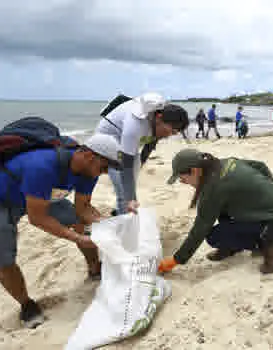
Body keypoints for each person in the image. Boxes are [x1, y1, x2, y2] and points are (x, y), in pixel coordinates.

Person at [0, 133, 122, 328]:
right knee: (4, 259)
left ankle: (94, 268)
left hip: (39, 196)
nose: (104, 173)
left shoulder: (88, 172)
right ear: (91, 156)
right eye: (105, 168)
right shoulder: (42, 166)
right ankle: (27, 305)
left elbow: (83, 210)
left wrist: (111, 224)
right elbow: (37, 218)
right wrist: (77, 238)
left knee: (79, 221)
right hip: (4, 200)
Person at [157, 149, 273, 274]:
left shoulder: (213, 188)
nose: (183, 182)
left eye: (182, 178)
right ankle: (231, 247)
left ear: (195, 171)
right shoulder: (223, 163)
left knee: (213, 236)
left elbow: (200, 228)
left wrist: (176, 260)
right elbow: (260, 165)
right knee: (223, 208)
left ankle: (270, 240)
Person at [95, 92, 189, 216]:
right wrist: (130, 199)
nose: (168, 136)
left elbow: (150, 143)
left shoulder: (159, 120)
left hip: (127, 139)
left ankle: (124, 210)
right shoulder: (135, 125)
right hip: (109, 138)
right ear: (159, 117)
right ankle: (125, 215)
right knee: (124, 188)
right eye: (170, 131)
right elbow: (125, 165)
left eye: (174, 133)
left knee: (131, 182)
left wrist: (140, 165)